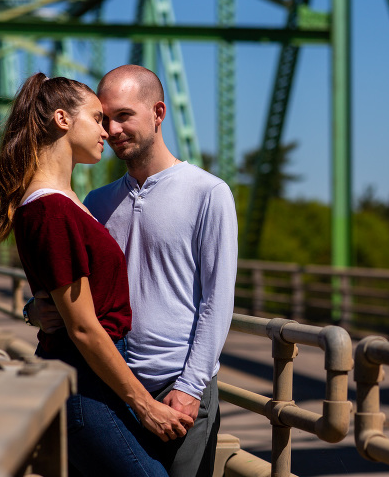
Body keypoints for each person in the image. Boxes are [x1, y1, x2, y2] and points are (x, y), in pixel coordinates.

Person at [29, 64, 238, 477]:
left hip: (179, 390)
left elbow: (218, 301)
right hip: (110, 389)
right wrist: (33, 311)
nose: (111, 129)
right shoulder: (97, 201)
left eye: (124, 115)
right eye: (104, 118)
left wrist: (190, 388)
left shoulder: (208, 193)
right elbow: (75, 287)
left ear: (159, 113)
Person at [0, 73, 193, 477]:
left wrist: (37, 308)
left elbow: (69, 298)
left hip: (93, 375)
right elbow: (83, 328)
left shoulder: (67, 202)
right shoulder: (51, 209)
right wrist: (145, 404)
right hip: (84, 379)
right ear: (62, 120)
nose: (107, 131)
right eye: (98, 118)